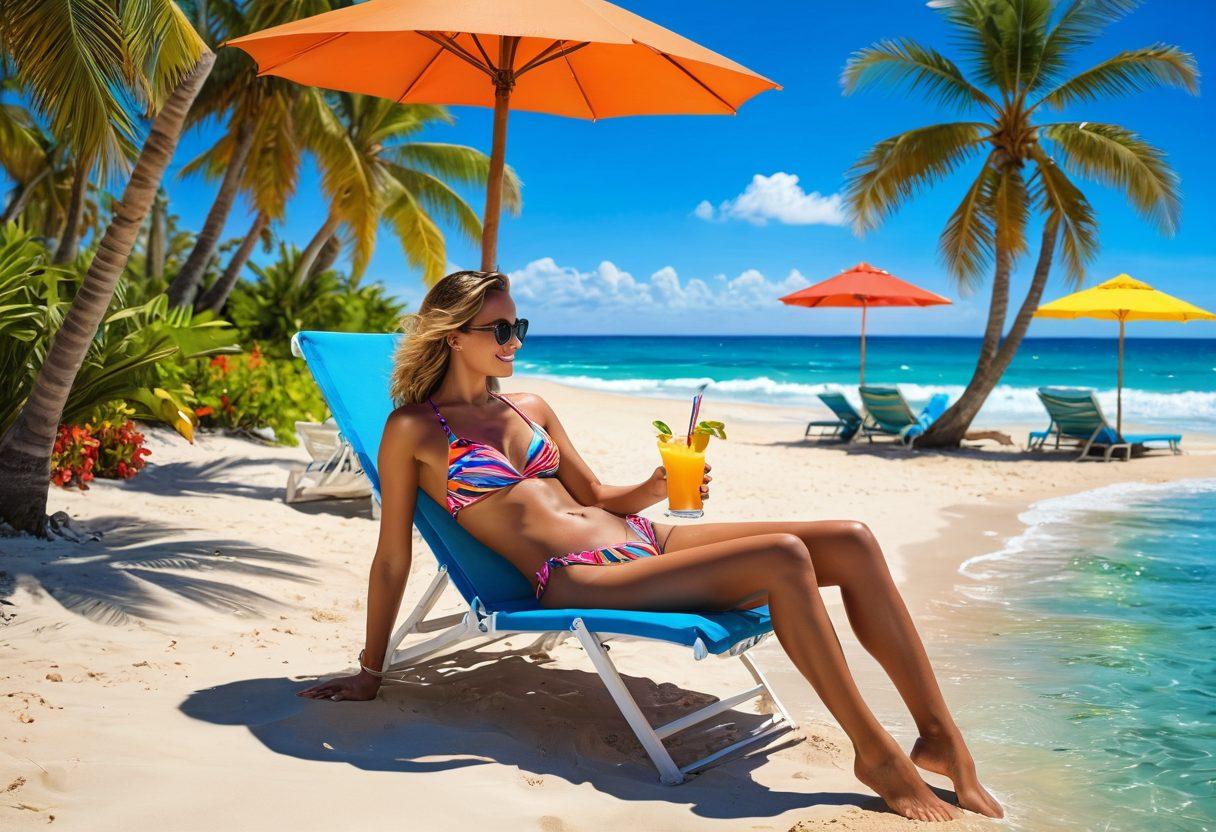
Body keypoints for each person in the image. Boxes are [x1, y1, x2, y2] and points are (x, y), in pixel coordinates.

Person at [298, 270, 1002, 822]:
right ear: (455, 336)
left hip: (640, 538)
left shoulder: (528, 406)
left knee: (851, 540)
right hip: (576, 574)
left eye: (520, 326)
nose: (515, 341)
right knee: (786, 555)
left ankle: (940, 737)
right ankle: (876, 755)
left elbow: (597, 495)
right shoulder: (413, 430)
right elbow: (393, 554)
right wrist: (370, 668)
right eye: (500, 329)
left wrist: (655, 485)